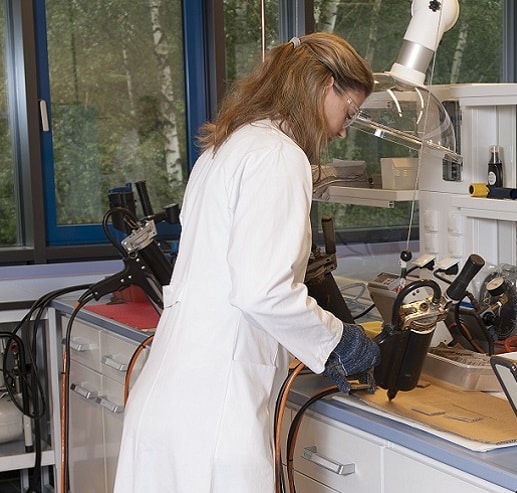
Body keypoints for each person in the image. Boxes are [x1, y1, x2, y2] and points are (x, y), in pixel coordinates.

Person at [113, 32, 380, 493]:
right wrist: (340, 342)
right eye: (349, 114)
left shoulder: (225, 149)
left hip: (171, 408)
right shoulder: (279, 155)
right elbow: (263, 290)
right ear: (325, 85)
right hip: (215, 421)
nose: (341, 130)